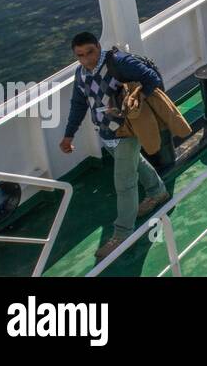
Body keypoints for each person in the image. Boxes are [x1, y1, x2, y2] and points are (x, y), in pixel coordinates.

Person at [60, 32, 171, 260]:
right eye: (80, 55)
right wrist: (69, 135)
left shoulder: (118, 63)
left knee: (125, 184)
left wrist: (134, 103)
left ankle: (122, 235)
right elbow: (79, 104)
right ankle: (157, 192)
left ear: (98, 46)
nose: (86, 59)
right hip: (105, 132)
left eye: (90, 52)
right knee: (135, 164)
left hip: (127, 130)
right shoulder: (81, 74)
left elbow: (152, 80)